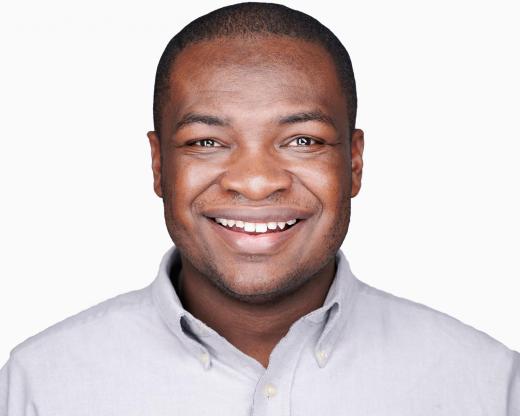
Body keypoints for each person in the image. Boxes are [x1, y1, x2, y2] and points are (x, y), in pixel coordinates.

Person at [1, 2, 518, 414]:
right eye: (206, 142)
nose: (254, 183)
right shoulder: (41, 384)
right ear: (159, 166)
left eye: (302, 140)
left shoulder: (489, 385)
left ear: (354, 163)